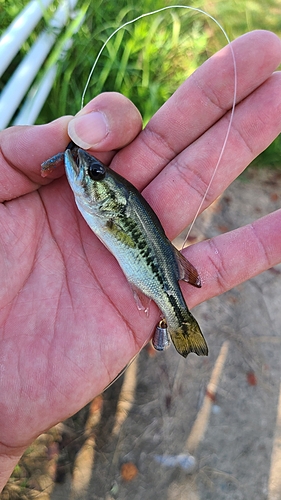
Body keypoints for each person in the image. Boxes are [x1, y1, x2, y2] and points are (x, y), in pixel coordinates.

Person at [0, 30, 281, 490]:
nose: (85, 168)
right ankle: (178, 318)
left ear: (107, 198)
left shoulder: (106, 210)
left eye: (95, 173)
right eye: (97, 172)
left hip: (155, 277)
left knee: (171, 300)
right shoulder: (93, 209)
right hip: (150, 273)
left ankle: (179, 320)